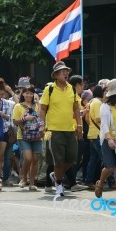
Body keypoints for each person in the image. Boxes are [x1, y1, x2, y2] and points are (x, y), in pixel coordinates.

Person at [39, 61, 82, 196]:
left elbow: (76, 108)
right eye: (62, 71)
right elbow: (43, 108)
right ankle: (58, 183)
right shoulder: (49, 89)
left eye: (67, 71)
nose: (66, 73)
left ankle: (55, 175)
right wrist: (41, 124)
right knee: (58, 160)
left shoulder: (72, 89)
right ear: (56, 75)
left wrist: (79, 125)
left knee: (72, 158)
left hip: (70, 129)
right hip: (54, 130)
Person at [13, 85, 42, 191]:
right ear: (23, 94)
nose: (29, 95)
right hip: (23, 136)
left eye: (31, 93)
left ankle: (32, 182)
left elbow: (41, 118)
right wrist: (25, 118)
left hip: (37, 135)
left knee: (35, 160)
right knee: (28, 158)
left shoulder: (38, 106)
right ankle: (24, 177)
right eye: (27, 93)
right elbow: (15, 121)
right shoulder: (18, 106)